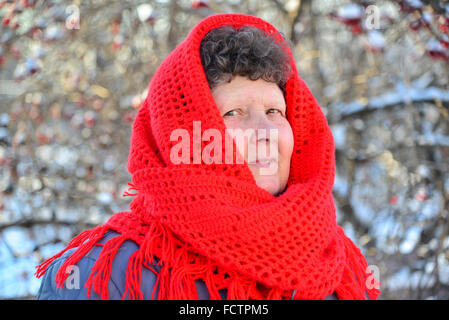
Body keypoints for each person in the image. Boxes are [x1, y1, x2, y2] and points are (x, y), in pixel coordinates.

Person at [35, 13, 380, 300]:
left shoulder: (342, 267)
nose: (267, 132)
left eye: (275, 111)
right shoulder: (99, 276)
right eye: (234, 113)